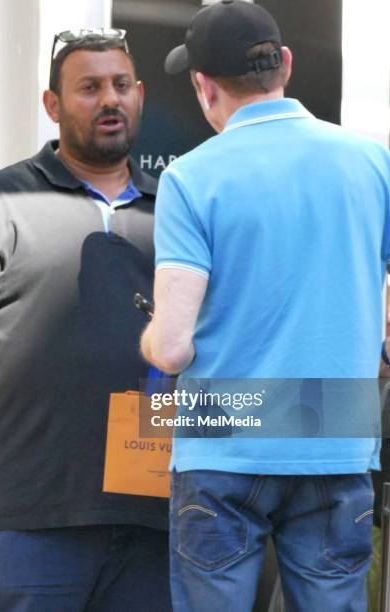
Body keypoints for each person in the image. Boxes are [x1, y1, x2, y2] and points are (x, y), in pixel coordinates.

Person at [140, 1, 390, 611]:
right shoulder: (374, 163)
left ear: (203, 87)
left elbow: (171, 347)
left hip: (225, 431)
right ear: (285, 64)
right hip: (336, 426)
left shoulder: (191, 179)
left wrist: (147, 338)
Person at [0, 30, 171, 612]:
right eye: (89, 88)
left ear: (140, 95)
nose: (110, 99)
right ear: (52, 105)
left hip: (155, 519)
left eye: (121, 86)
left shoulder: (177, 212)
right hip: (30, 521)